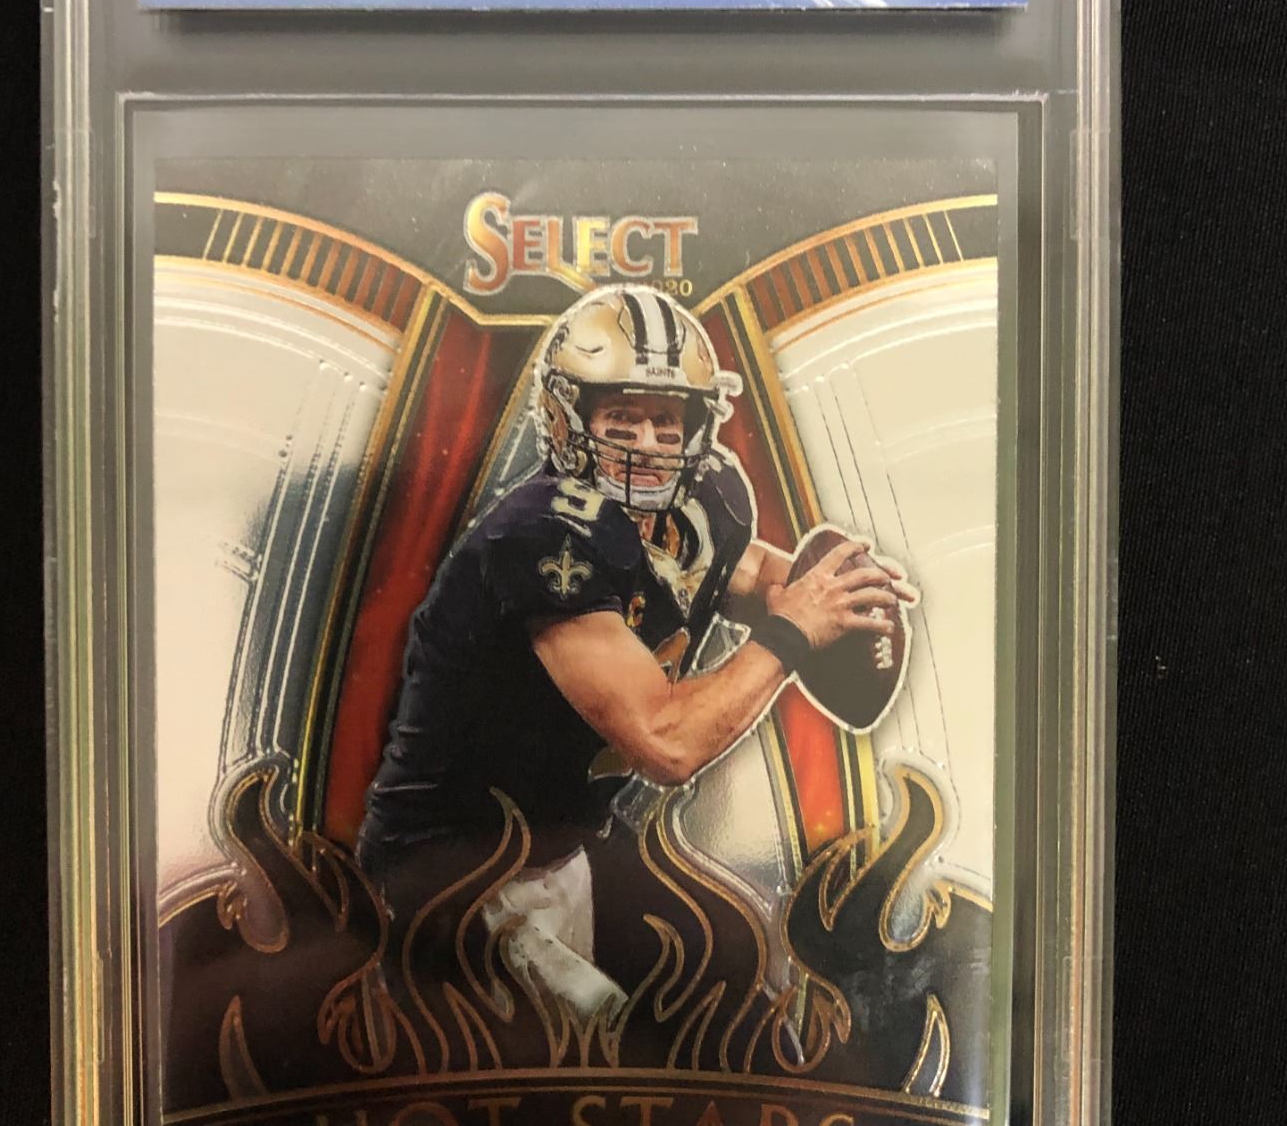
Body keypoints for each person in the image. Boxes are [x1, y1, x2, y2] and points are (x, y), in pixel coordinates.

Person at [357, 284, 915, 1022]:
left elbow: (749, 574)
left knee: (741, 982)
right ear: (567, 419)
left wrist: (839, 590)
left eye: (666, 421)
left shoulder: (705, 498)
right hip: (450, 873)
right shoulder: (541, 536)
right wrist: (792, 632)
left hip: (568, 845)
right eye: (621, 418)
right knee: (600, 1041)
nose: (648, 443)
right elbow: (666, 741)